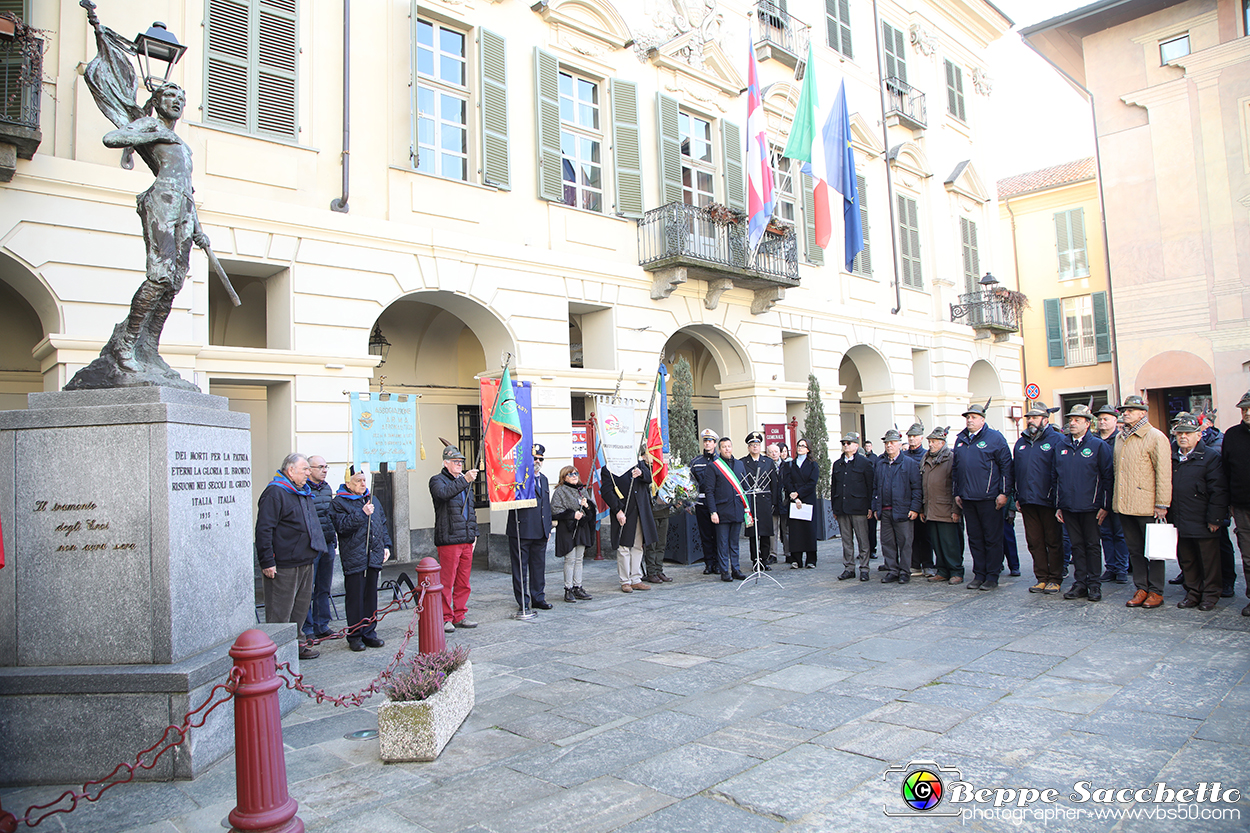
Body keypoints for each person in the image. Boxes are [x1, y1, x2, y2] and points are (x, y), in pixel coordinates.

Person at [255, 453, 327, 660]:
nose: (308, 473)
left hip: (305, 560)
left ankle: (297, 646)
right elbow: (264, 529)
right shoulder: (275, 493)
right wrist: (267, 561)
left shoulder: (301, 491)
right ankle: (276, 653)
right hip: (284, 564)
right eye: (304, 469)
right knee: (280, 612)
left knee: (300, 610)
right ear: (290, 471)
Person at [1114, 395, 1172, 610]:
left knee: (1154, 550)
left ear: (1142, 413)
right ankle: (1141, 587)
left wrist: (1162, 503)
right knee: (1135, 550)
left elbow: (1164, 473)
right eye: (1124, 410)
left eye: (1131, 410)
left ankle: (1156, 590)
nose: (1125, 412)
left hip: (1147, 504)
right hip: (1124, 505)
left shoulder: (1156, 437)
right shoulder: (1120, 437)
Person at [1053, 405, 1113, 602]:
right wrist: (1059, 504)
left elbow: (1107, 477)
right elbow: (1056, 477)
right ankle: (1080, 583)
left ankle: (1094, 584)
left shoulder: (1098, 446)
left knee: (1092, 546)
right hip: (1069, 505)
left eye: (1077, 420)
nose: (1072, 423)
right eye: (1071, 419)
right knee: (1076, 546)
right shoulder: (1061, 446)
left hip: (1091, 506)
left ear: (1087, 424)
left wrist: (1104, 505)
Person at [952, 401, 1013, 591]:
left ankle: (992, 576)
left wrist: (1004, 493)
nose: (969, 420)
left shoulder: (995, 438)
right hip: (968, 498)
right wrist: (957, 492)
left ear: (983, 420)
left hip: (989, 498)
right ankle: (979, 573)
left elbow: (1006, 468)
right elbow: (956, 469)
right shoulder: (961, 440)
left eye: (973, 417)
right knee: (975, 538)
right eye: (968, 417)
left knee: (992, 538)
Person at [1170, 416, 1228, 611]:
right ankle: (1193, 592)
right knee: (1187, 559)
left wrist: (1215, 518)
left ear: (1198, 435)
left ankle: (1210, 594)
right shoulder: (1172, 456)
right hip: (1179, 517)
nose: (1183, 437)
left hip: (1203, 518)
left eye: (1187, 433)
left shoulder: (1210, 456)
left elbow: (1219, 490)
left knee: (1209, 560)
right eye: (1180, 433)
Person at [331, 465, 391, 651]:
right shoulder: (339, 502)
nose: (363, 484)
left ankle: (369, 632)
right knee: (355, 598)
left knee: (370, 596)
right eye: (358, 481)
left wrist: (386, 545)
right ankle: (355, 635)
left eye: (364, 480)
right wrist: (361, 513)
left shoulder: (373, 499)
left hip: (373, 554)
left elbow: (381, 523)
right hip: (355, 557)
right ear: (348, 483)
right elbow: (342, 527)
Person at [1014, 402, 1063, 594]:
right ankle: (1041, 577)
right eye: (1029, 418)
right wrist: (1016, 495)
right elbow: (1015, 470)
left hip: (1048, 500)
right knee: (1034, 541)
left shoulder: (1057, 439)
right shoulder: (1021, 442)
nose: (1031, 421)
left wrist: (1058, 498)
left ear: (1045, 419)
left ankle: (1055, 577)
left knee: (1053, 541)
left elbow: (1060, 471)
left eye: (1034, 417)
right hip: (1027, 500)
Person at [430, 446, 480, 632]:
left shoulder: (463, 482)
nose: (459, 465)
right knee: (447, 581)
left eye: (461, 462)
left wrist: (474, 534)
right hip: (450, 538)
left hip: (466, 538)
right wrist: (465, 480)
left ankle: (459, 614)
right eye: (455, 462)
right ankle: (445, 617)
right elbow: (443, 494)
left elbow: (471, 511)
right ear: (445, 463)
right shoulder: (437, 480)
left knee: (463, 582)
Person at [871, 429, 922, 584]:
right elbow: (875, 488)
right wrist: (875, 507)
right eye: (887, 443)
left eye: (892, 443)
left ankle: (905, 571)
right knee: (887, 542)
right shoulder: (881, 464)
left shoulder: (910, 464)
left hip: (903, 510)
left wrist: (915, 508)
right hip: (885, 511)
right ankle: (892, 570)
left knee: (905, 542)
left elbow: (917, 488)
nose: (889, 446)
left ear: (900, 444)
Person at [507, 444, 552, 612]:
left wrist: (547, 528)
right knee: (520, 568)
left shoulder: (544, 479)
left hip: (540, 531)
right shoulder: (518, 478)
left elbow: (545, 506)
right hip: (522, 530)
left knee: (538, 568)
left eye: (540, 459)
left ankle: (538, 597)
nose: (538, 462)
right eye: (534, 459)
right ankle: (523, 601)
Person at [604, 457, 658, 592]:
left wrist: (641, 473)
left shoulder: (638, 464)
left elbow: (650, 478)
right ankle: (625, 580)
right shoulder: (609, 467)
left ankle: (636, 578)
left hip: (640, 510)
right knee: (623, 546)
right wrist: (617, 510)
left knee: (637, 546)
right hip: (624, 511)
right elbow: (606, 491)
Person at [921, 426, 964, 584]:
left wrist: (956, 509)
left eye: (933, 442)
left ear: (942, 442)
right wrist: (923, 508)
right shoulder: (926, 458)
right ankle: (942, 570)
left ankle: (956, 571)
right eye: (929, 441)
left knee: (950, 543)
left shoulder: (951, 458)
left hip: (946, 508)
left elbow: (956, 485)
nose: (930, 444)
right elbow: (923, 485)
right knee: (937, 543)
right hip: (931, 508)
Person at [302, 455, 338, 642]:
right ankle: (307, 628)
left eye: (326, 467)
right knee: (307, 589)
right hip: (311, 546)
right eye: (321, 467)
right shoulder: (303, 489)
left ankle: (321, 624)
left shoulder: (326, 488)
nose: (324, 470)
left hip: (328, 543)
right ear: (310, 469)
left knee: (323, 587)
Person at [1094, 404, 1130, 584]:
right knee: (1105, 533)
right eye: (1100, 419)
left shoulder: (1121, 439)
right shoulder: (1093, 439)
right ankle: (1111, 567)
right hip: (1099, 493)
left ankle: (1122, 568)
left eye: (1106, 419)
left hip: (1118, 493)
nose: (1102, 422)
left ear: (1115, 421)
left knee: (1120, 533)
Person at [1221, 391, 1250, 616]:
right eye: (1243, 409)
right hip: (1241, 505)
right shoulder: (1231, 435)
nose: (1247, 412)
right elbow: (1226, 471)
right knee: (1248, 556)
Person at [831, 431, 874, 581]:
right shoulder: (838, 464)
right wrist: (834, 507)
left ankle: (864, 568)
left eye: (848, 443)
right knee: (846, 540)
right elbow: (834, 487)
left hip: (859, 507)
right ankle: (849, 568)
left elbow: (870, 486)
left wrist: (870, 506)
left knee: (863, 540)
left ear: (856, 445)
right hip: (842, 507)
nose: (845, 446)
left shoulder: (865, 463)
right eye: (843, 443)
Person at [706, 437, 749, 581]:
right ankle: (725, 571)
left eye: (729, 446)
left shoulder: (739, 465)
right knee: (723, 543)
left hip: (737, 509)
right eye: (723, 447)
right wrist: (713, 512)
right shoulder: (714, 466)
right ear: (719, 449)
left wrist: (747, 509)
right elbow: (709, 491)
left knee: (734, 543)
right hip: (722, 510)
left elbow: (745, 487)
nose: (727, 449)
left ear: (732, 447)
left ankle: (736, 569)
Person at [552, 465, 596, 602]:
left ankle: (578, 586)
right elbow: (555, 510)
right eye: (571, 474)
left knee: (579, 559)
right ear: (564, 477)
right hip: (567, 529)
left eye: (576, 473)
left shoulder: (581, 490)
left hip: (581, 529)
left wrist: (587, 505)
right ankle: (568, 588)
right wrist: (572, 514)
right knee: (570, 559)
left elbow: (591, 509)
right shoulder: (560, 491)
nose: (574, 476)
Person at [741, 432, 776, 572]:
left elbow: (774, 483)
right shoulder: (743, 462)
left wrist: (774, 502)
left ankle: (765, 560)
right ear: (748, 447)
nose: (755, 447)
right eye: (752, 445)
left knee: (766, 533)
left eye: (757, 445)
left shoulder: (768, 462)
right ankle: (755, 560)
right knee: (753, 534)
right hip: (751, 503)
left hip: (765, 502)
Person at [784, 437, 820, 569]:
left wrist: (799, 493)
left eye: (803, 446)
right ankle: (796, 559)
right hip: (794, 501)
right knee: (796, 530)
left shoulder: (813, 465)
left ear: (808, 449)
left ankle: (811, 559)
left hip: (808, 499)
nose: (800, 448)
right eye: (799, 445)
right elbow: (787, 481)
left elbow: (812, 483)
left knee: (809, 530)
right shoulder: (791, 464)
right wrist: (794, 495)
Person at [903, 423, 931, 577]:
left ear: (921, 438)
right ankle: (914, 564)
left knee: (925, 535)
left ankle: (927, 564)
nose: (912, 439)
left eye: (915, 436)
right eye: (910, 436)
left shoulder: (926, 455)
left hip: (924, 501)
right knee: (911, 536)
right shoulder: (904, 456)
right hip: (908, 501)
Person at [690, 429, 720, 575]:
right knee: (706, 535)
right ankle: (709, 563)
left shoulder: (721, 462)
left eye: (710, 441)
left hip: (718, 504)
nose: (707, 444)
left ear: (715, 444)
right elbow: (690, 484)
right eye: (705, 441)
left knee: (719, 535)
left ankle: (719, 563)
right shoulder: (696, 462)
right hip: (702, 504)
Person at [767, 442, 788, 562]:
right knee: (773, 530)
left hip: (784, 501)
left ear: (780, 453)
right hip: (772, 502)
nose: (774, 454)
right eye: (771, 452)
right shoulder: (767, 466)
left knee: (786, 529)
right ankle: (773, 554)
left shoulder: (787, 465)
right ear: (768, 454)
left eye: (776, 451)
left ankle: (788, 552)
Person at [862, 440, 879, 560]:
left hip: (871, 500)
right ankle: (864, 550)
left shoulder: (874, 459)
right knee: (862, 530)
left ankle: (872, 549)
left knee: (871, 528)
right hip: (860, 502)